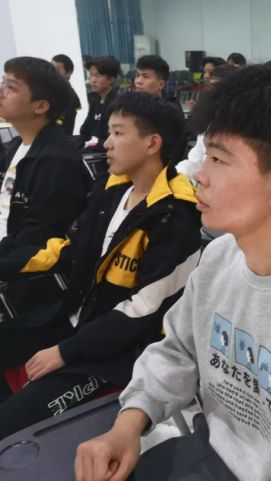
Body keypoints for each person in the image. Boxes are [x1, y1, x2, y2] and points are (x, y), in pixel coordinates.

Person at [75, 65, 271, 481]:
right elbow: (178, 351)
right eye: (205, 156)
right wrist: (128, 425)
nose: (200, 176)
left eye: (218, 159)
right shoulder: (220, 257)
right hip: (211, 454)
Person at [0, 92, 202, 438]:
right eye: (109, 132)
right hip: (73, 323)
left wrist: (65, 352)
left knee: (10, 425)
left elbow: (143, 311)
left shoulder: (175, 216)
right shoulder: (112, 191)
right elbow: (70, 250)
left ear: (152, 143)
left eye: (118, 133)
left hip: (121, 353)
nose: (106, 143)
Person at [0, 56, 89, 327]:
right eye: (3, 83)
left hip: (30, 281)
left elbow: (37, 239)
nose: (1, 92)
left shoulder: (56, 161)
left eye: (11, 87)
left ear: (40, 106)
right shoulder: (18, 146)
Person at [176, 64, 239, 183]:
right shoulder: (210, 123)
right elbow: (194, 162)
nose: (213, 94)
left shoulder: (244, 131)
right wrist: (175, 175)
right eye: (211, 87)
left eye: (220, 88)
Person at [79, 56, 121, 151]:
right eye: (91, 75)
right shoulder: (95, 100)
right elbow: (85, 130)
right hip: (91, 148)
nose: (93, 80)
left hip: (105, 151)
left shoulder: (117, 104)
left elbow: (114, 138)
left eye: (97, 76)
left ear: (111, 79)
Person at [51, 53, 82, 135]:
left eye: (57, 71)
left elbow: (63, 126)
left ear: (68, 73)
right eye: (50, 69)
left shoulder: (69, 96)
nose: (52, 73)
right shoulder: (51, 91)